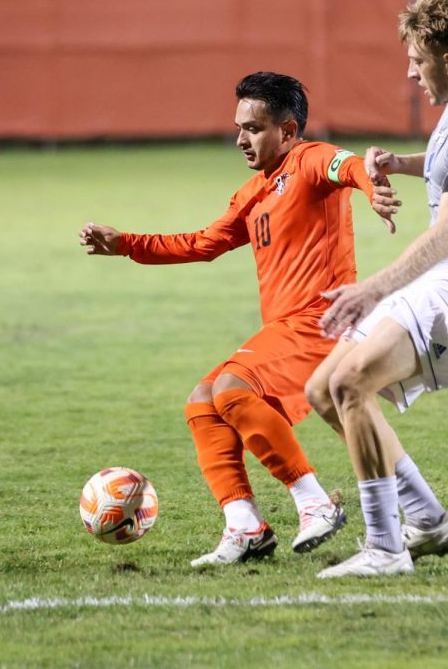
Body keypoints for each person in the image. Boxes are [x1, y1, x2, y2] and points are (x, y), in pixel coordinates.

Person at [80, 71, 395, 567]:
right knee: (202, 402)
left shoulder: (309, 159)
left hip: (323, 319)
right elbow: (202, 244)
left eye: (253, 128)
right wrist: (125, 245)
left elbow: (349, 166)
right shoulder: (253, 192)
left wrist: (372, 184)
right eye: (238, 128)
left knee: (232, 388)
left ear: (287, 131)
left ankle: (314, 502)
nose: (240, 139)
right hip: (283, 330)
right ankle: (245, 525)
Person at [302, 0, 448, 578]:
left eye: (415, 60)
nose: (410, 72)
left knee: (353, 381)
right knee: (323, 391)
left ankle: (385, 548)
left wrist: (373, 288)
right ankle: (428, 520)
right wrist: (399, 164)